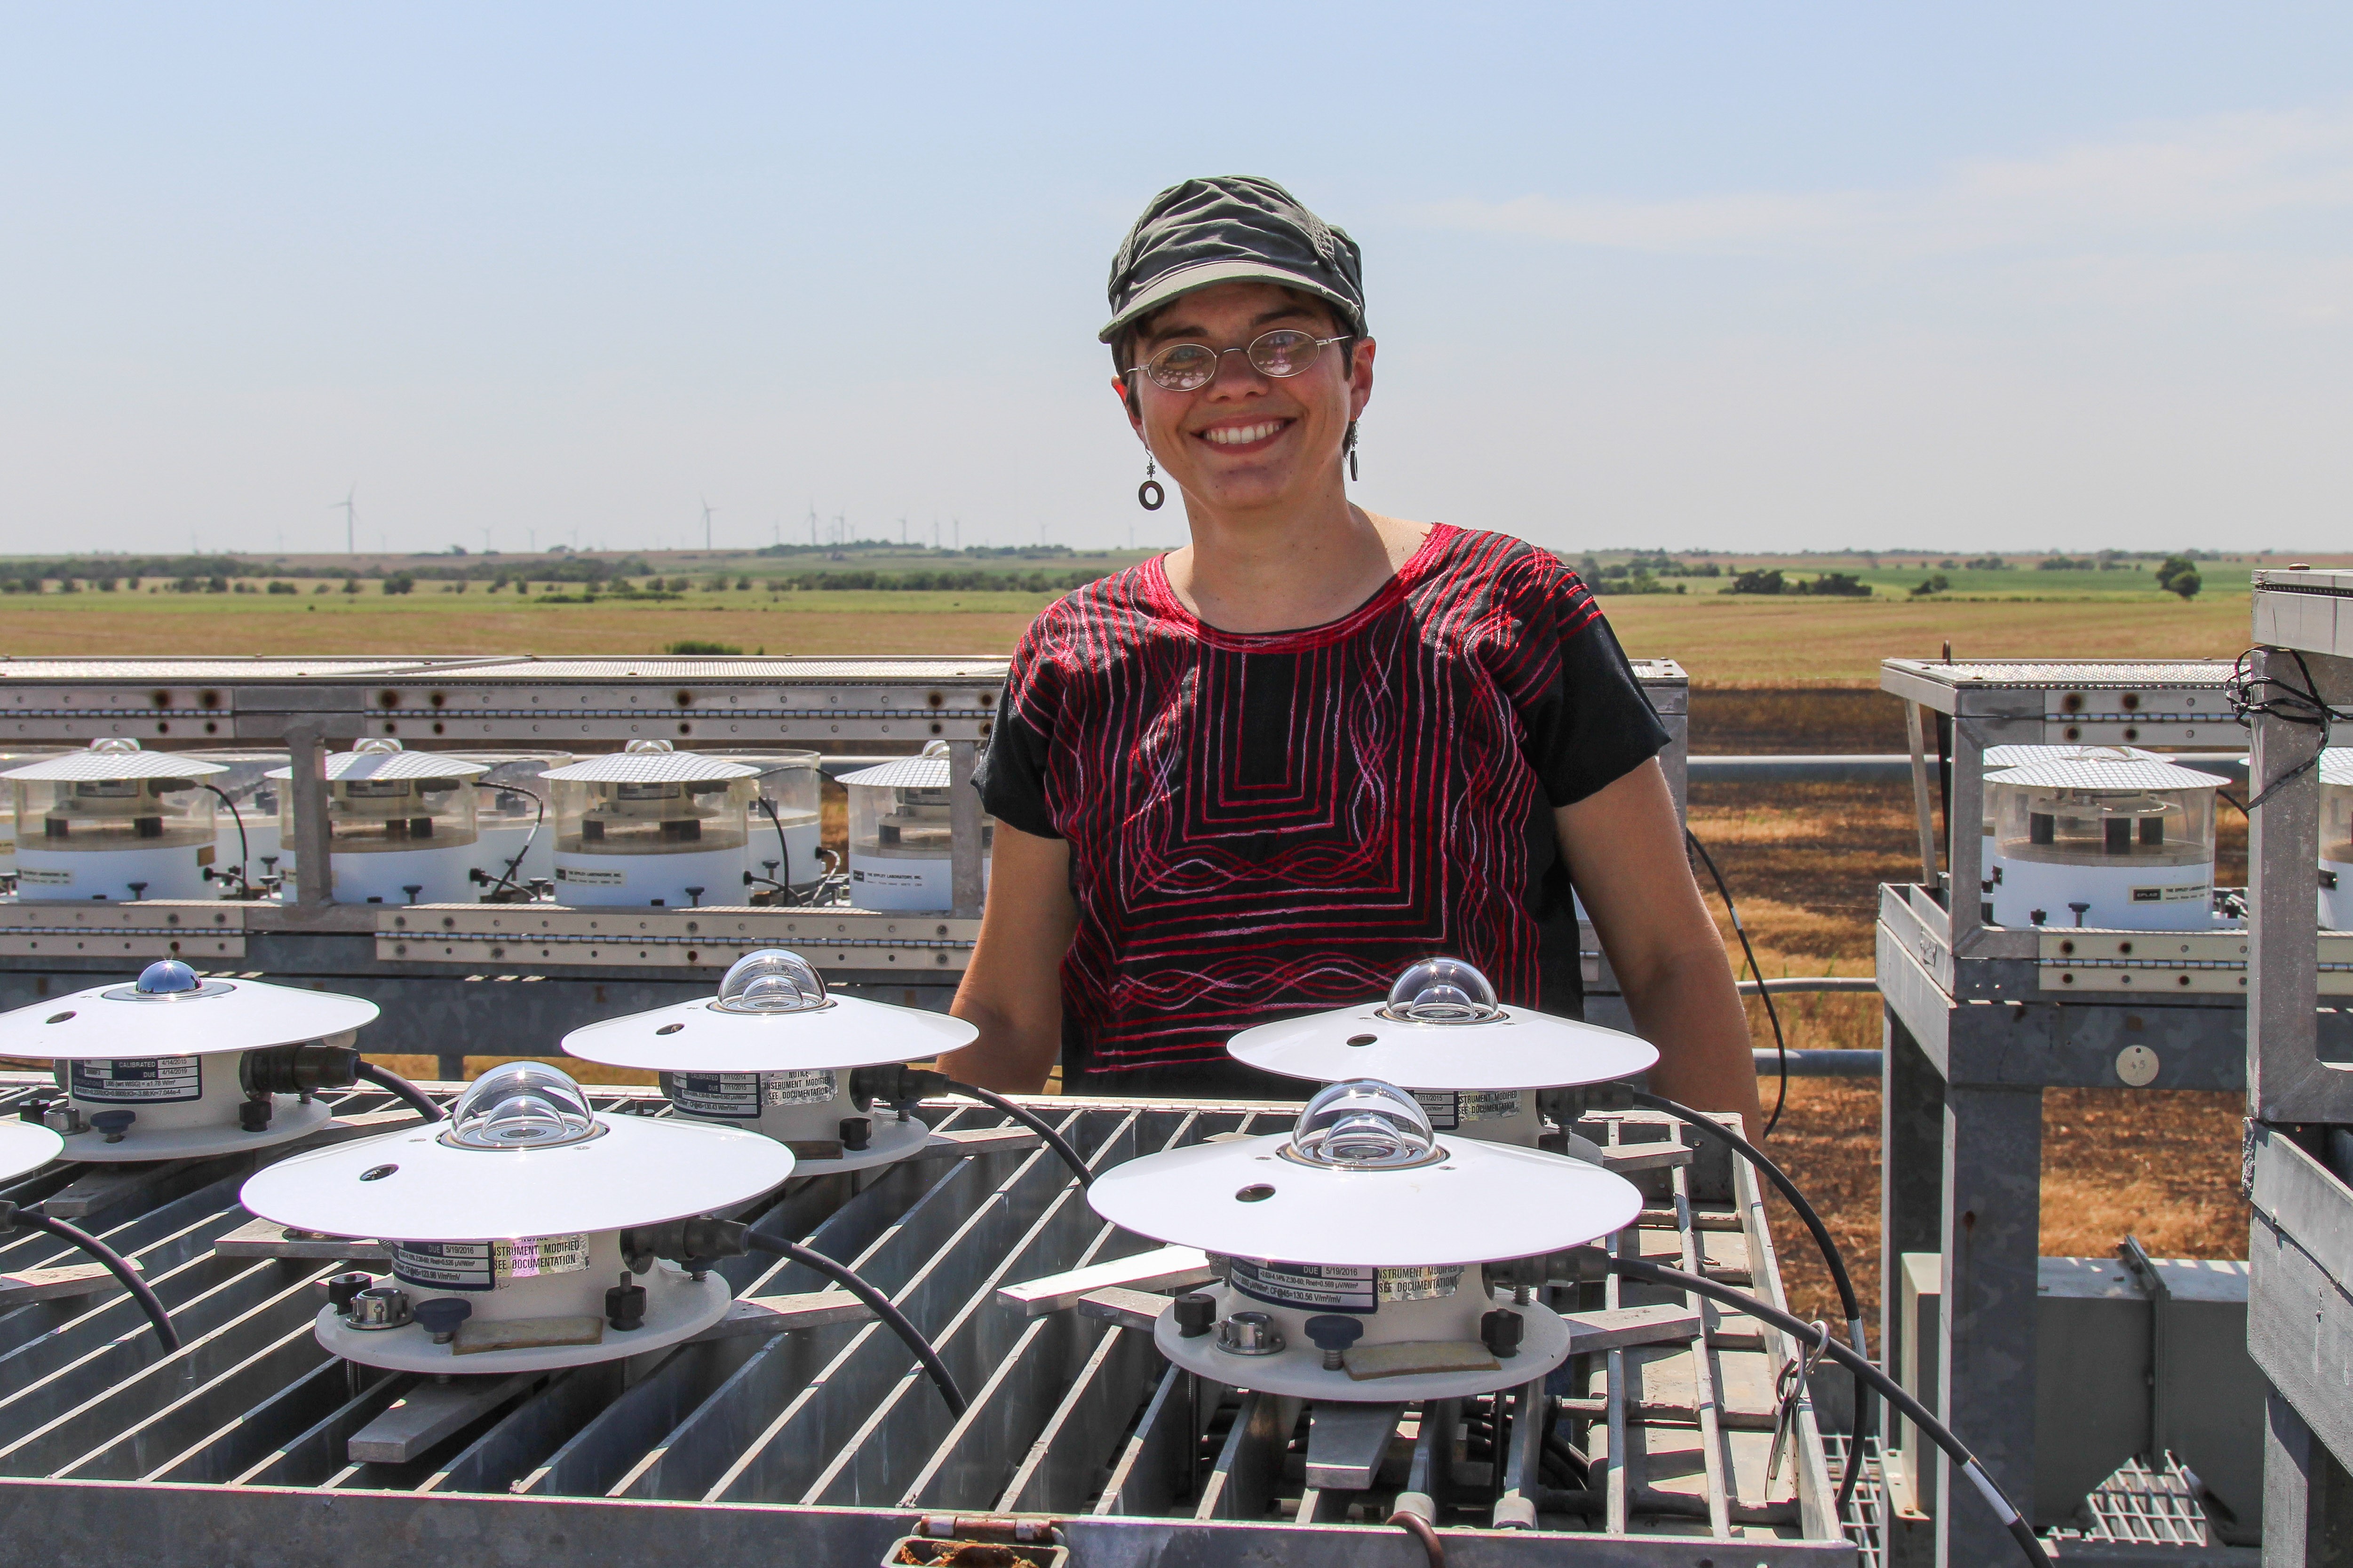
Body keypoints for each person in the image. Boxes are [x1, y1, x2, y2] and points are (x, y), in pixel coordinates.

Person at [941, 175, 1760, 1129]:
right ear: (1132, 404)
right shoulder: (1072, 657)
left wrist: (1718, 1198)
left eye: (1281, 342)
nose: (1234, 382)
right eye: (1181, 356)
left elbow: (1668, 958)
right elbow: (1003, 1010)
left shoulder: (1514, 611)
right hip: (1148, 1233)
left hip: (1475, 1228)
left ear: (1358, 373)